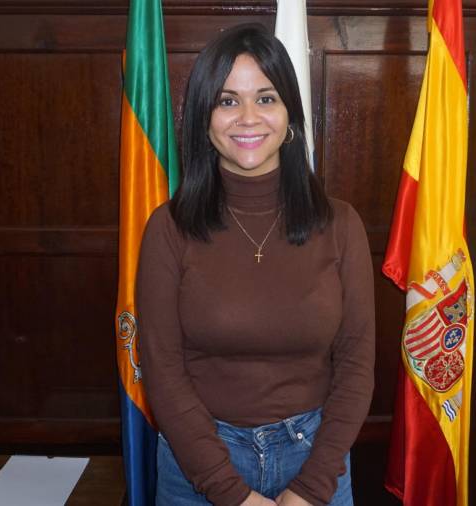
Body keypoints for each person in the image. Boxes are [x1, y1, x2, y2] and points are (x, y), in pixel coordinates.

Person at [136, 23, 375, 506]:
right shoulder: (168, 228)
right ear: (204, 119)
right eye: (227, 101)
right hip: (198, 466)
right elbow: (163, 369)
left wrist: (310, 488)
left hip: (317, 462)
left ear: (290, 115)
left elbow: (356, 365)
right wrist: (232, 494)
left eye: (266, 98)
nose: (248, 118)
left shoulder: (342, 225)